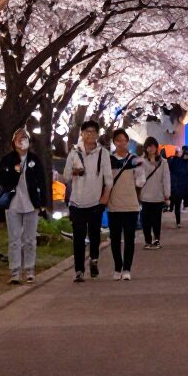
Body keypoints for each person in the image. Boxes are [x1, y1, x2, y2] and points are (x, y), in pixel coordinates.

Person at [63, 119, 114, 283]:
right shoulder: (74, 153)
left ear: (97, 135)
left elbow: (108, 178)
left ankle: (94, 260)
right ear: (82, 134)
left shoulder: (103, 154)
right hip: (77, 202)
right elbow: (65, 176)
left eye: (93, 132)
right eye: (87, 132)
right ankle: (79, 270)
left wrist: (105, 196)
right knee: (78, 237)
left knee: (94, 235)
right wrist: (74, 172)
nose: (90, 135)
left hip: (95, 202)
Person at [0, 128, 48, 284]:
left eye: (24, 137)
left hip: (32, 204)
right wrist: (15, 172)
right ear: (14, 141)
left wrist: (43, 203)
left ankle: (30, 270)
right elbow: (1, 180)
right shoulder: (7, 159)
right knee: (14, 239)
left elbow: (42, 182)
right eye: (18, 137)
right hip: (13, 203)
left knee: (30, 239)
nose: (21, 140)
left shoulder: (34, 159)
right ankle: (15, 271)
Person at [107, 129, 146, 280]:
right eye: (118, 140)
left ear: (127, 141)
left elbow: (140, 181)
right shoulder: (109, 160)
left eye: (124, 140)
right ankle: (117, 267)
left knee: (130, 238)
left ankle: (127, 268)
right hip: (114, 204)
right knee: (115, 238)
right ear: (114, 142)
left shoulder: (135, 160)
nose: (121, 143)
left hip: (131, 204)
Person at [140, 136, 171, 249]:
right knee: (145, 220)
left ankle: (156, 239)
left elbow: (166, 179)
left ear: (156, 147)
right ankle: (148, 241)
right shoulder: (141, 162)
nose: (151, 148)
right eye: (149, 146)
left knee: (156, 220)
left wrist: (167, 194)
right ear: (146, 148)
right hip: (145, 195)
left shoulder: (163, 162)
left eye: (153, 146)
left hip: (158, 195)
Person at [168, 146, 188, 228]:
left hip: (178, 186)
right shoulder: (182, 161)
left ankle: (178, 222)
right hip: (180, 186)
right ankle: (178, 222)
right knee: (177, 204)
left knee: (177, 205)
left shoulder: (175, 160)